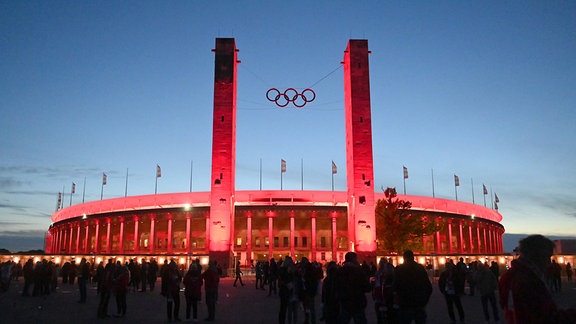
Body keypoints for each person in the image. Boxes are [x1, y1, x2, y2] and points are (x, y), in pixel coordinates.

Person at [499, 234, 576, 323]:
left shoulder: (509, 276)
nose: (548, 262)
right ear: (537, 256)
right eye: (547, 257)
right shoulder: (527, 281)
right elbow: (545, 318)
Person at [393, 250, 433, 324]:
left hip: (405, 304)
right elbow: (428, 287)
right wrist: (424, 301)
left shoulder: (399, 270)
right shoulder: (420, 269)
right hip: (418, 303)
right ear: (413, 257)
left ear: (404, 258)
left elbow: (395, 287)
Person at [336, 251, 372, 324]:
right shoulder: (359, 271)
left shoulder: (340, 271)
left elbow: (337, 286)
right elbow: (367, 287)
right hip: (357, 301)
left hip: (345, 301)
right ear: (353, 259)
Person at [372, 257, 395, 324]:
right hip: (382, 295)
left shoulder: (382, 273)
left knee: (383, 314)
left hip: (384, 295)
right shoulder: (380, 272)